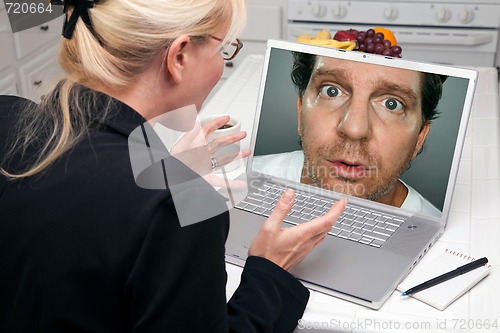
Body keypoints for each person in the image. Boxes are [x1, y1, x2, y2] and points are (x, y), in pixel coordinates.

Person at [0, 1, 347, 332]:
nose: (221, 64)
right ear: (179, 56)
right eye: (223, 50)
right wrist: (269, 270)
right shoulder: (177, 208)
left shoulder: (7, 114)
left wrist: (163, 170)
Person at [253, 51, 446, 217]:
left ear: (419, 138)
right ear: (300, 109)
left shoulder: (447, 245)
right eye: (331, 91)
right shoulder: (240, 183)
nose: (354, 130)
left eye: (391, 104)